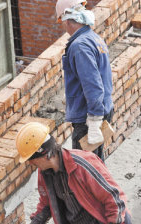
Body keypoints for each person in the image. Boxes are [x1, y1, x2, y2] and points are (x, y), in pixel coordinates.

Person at [16, 122, 132, 224]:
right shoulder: (45, 173)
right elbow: (46, 204)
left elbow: (113, 196)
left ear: (45, 154)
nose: (30, 163)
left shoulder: (83, 165)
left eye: (32, 159)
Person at [56, 0, 114, 161]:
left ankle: (102, 187)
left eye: (61, 22)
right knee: (96, 164)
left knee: (85, 168)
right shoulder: (92, 37)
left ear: (67, 20)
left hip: (89, 117)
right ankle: (104, 187)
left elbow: (93, 85)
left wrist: (94, 120)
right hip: (101, 108)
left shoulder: (79, 46)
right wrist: (71, 96)